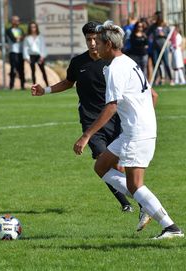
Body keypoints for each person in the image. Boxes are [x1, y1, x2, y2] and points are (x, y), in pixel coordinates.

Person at [73, 20, 184, 240]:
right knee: (101, 166)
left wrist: (87, 135)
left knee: (135, 185)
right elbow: (154, 95)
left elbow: (111, 106)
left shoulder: (115, 68)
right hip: (134, 131)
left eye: (99, 42)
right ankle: (146, 204)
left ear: (108, 45)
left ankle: (171, 227)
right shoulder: (129, 62)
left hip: (136, 133)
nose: (95, 45)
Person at [31, 21, 134, 213]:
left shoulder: (114, 61)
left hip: (116, 118)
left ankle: (137, 198)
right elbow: (68, 82)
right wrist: (44, 90)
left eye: (95, 39)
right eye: (89, 39)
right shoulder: (78, 62)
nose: (93, 43)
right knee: (103, 160)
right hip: (91, 121)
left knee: (117, 166)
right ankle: (126, 203)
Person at [147, 11, 174, 85]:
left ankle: (171, 79)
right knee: (156, 63)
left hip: (164, 48)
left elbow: (170, 35)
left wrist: (164, 34)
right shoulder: (153, 26)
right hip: (155, 47)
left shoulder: (165, 26)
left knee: (166, 63)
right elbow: (147, 33)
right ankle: (160, 78)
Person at [23, 21, 49, 86]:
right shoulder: (27, 38)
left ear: (36, 28)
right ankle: (34, 85)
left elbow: (43, 47)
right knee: (33, 71)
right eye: (31, 27)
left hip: (39, 56)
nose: (33, 28)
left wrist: (42, 56)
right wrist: (26, 57)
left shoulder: (40, 37)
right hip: (31, 56)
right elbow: (25, 48)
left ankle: (47, 85)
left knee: (43, 70)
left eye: (34, 27)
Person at [6, 15, 25, 90]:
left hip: (20, 52)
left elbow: (23, 37)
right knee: (13, 69)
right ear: (12, 21)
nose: (18, 22)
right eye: (16, 20)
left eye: (18, 20)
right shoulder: (9, 30)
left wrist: (19, 38)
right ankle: (11, 86)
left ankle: (22, 86)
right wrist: (19, 38)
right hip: (13, 52)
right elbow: (13, 39)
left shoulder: (20, 30)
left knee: (21, 69)